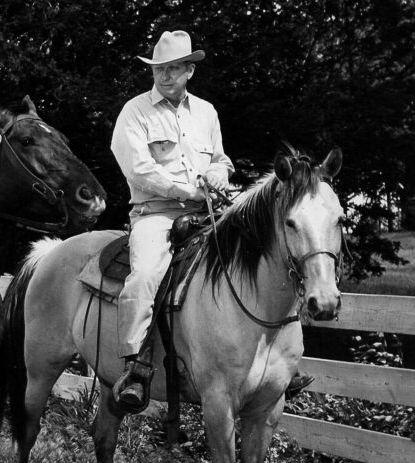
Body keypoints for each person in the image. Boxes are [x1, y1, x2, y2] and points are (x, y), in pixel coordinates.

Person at [110, 30, 313, 411]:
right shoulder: (134, 112)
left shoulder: (205, 112)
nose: (165, 75)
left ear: (190, 70)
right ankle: (136, 364)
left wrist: (219, 174)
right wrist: (188, 191)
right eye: (159, 69)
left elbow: (220, 159)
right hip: (157, 213)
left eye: (174, 68)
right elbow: (138, 170)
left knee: (268, 254)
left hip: (211, 210)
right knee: (145, 274)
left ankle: (279, 359)